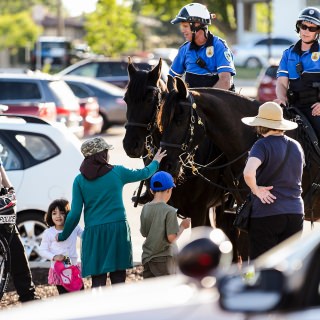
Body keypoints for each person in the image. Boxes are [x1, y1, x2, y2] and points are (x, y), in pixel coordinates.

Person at [57, 136, 167, 288]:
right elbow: (144, 173)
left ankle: (99, 310)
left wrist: (63, 235)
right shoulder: (117, 172)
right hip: (118, 231)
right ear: (102, 154)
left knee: (98, 280)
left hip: (94, 234)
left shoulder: (79, 181)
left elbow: (75, 213)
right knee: (118, 279)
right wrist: (156, 161)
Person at [241, 101, 304, 260]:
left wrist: (257, 190)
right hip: (295, 212)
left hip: (267, 213)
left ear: (261, 125)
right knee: (289, 265)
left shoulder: (261, 145)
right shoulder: (296, 146)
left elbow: (248, 173)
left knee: (261, 266)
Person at [275, 7, 320, 140]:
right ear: (298, 27)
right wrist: (281, 99)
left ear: (317, 31)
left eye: (312, 28)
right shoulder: (287, 54)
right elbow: (282, 83)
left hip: (315, 108)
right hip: (293, 107)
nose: (306, 31)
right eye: (304, 26)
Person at [169, 3, 235, 90]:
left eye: (185, 26)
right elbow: (170, 80)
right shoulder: (184, 49)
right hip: (192, 103)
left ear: (197, 24)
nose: (183, 30)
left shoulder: (219, 46)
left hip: (215, 102)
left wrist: (204, 102)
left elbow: (225, 82)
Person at [0, 159, 40, 302]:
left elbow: (2, 173)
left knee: (16, 250)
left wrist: (10, 190)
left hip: (2, 206)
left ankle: (29, 296)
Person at [140, 171, 191, 278]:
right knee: (167, 292)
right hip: (164, 260)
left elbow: (144, 232)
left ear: (151, 190)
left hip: (147, 258)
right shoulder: (170, 211)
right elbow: (171, 238)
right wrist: (183, 226)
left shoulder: (145, 208)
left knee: (151, 293)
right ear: (169, 190)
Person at [39, 199, 83, 295]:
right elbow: (42, 250)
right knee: (65, 296)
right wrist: (54, 257)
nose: (58, 216)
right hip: (59, 270)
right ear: (50, 215)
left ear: (68, 215)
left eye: (62, 213)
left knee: (80, 293)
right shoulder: (49, 232)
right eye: (54, 213)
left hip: (74, 268)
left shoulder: (75, 227)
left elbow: (86, 236)